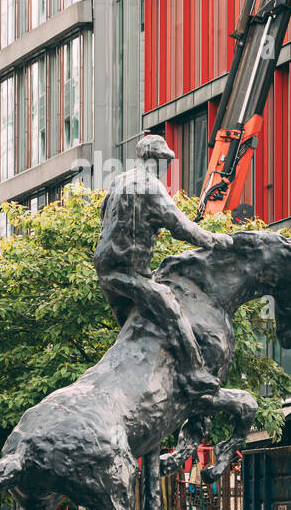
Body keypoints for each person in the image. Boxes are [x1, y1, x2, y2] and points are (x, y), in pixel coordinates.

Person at [93, 134, 233, 400]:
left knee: (132, 326)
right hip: (129, 270)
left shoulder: (119, 180)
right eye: (166, 161)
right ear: (157, 161)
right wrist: (215, 240)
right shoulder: (151, 186)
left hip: (105, 266)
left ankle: (132, 371)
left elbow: (104, 214)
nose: (168, 167)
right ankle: (196, 371)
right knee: (169, 301)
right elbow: (181, 227)